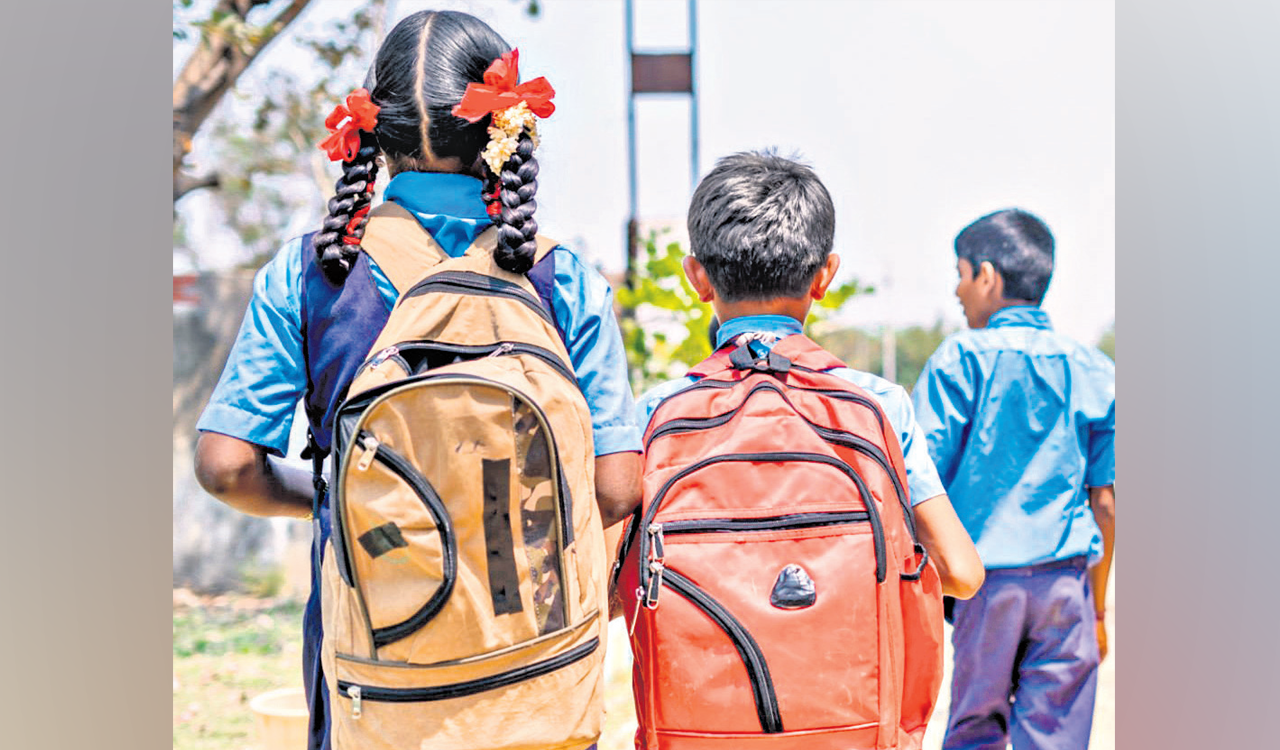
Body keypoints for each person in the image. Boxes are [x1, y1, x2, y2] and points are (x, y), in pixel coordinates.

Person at [192, 10, 641, 749]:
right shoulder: (561, 281)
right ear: (508, 130)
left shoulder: (309, 273)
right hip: (530, 667)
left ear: (373, 129)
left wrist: (343, 496)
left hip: (374, 668)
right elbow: (618, 486)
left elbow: (226, 464)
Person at [634, 150, 985, 600]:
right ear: (825, 276)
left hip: (701, 670)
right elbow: (961, 573)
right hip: (853, 668)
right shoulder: (880, 404)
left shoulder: (656, 413)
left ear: (697, 278)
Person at [911, 208, 1116, 750]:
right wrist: (1096, 608)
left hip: (985, 585)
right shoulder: (1093, 367)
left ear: (987, 276)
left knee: (976, 729)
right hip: (1067, 586)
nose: (957, 291)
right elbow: (1108, 503)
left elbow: (917, 480)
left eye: (960, 273)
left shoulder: (957, 360)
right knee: (1057, 735)